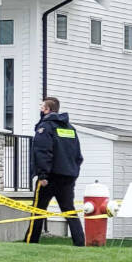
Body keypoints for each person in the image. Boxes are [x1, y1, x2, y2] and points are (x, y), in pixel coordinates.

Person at [26, 97, 85, 246]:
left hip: (50, 177)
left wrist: (42, 175)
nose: (40, 109)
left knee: (38, 210)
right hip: (67, 177)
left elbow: (42, 152)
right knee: (69, 210)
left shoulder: (45, 127)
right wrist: (73, 173)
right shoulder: (70, 129)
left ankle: (30, 242)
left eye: (42, 107)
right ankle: (80, 242)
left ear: (47, 110)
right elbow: (78, 155)